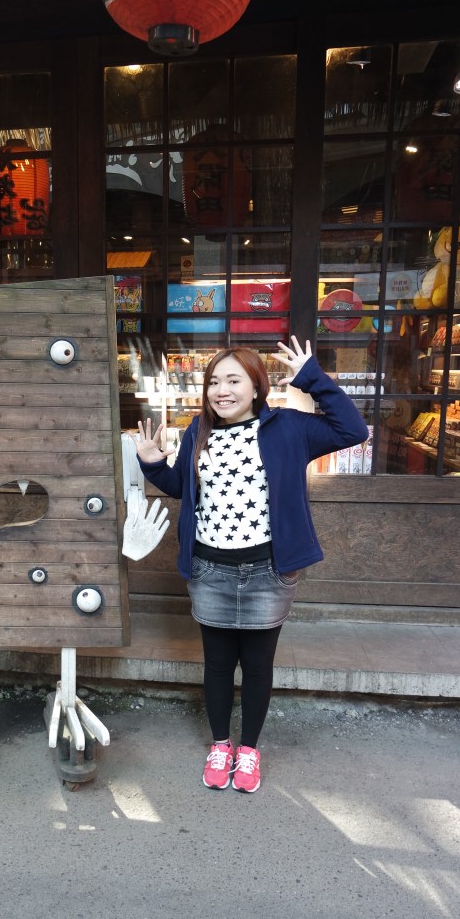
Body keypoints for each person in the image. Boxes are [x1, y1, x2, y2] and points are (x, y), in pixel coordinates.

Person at [134, 336, 368, 794]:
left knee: (258, 666)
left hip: (267, 570)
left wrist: (313, 378)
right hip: (210, 569)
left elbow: (352, 430)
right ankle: (221, 745)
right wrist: (152, 465)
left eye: (233, 381)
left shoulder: (288, 428)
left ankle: (249, 750)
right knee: (218, 665)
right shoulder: (197, 431)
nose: (221, 391)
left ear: (256, 386)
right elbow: (182, 487)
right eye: (214, 382)